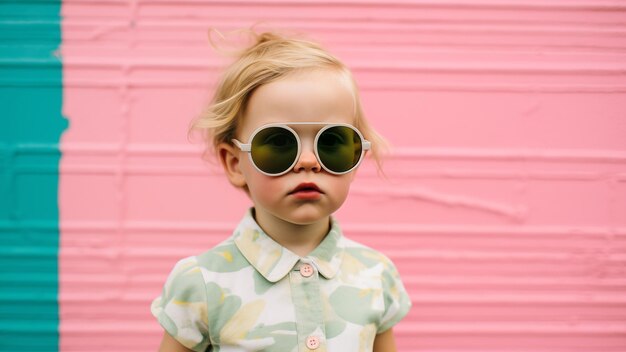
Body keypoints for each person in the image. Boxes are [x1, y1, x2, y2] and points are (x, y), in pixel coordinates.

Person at [151, 30, 412, 352]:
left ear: (357, 157)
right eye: (278, 142)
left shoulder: (376, 274)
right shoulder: (201, 281)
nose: (307, 161)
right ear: (234, 163)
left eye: (331, 142)